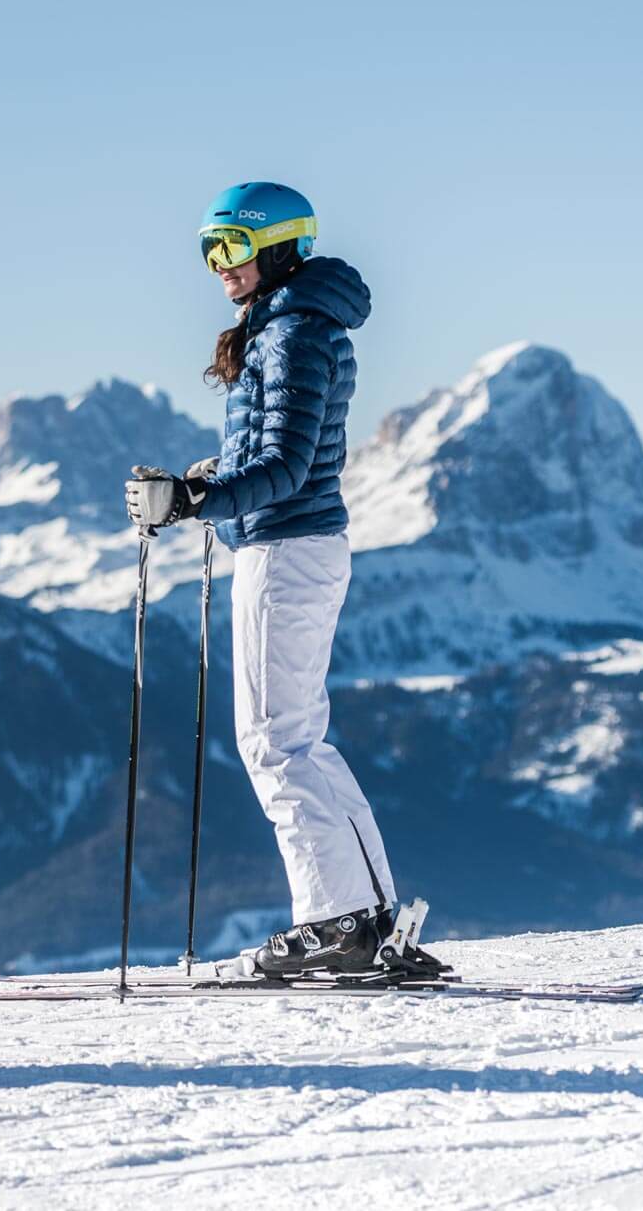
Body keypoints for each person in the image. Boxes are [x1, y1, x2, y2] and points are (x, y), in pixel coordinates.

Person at [125, 181, 420, 978]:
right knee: (299, 741)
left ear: (279, 246)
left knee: (273, 744)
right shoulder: (297, 327)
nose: (218, 266)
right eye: (207, 251)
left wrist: (195, 501)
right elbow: (290, 449)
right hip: (304, 546)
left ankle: (334, 923)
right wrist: (214, 479)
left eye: (231, 248)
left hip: (285, 550)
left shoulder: (290, 335)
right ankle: (368, 917)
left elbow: (287, 468)